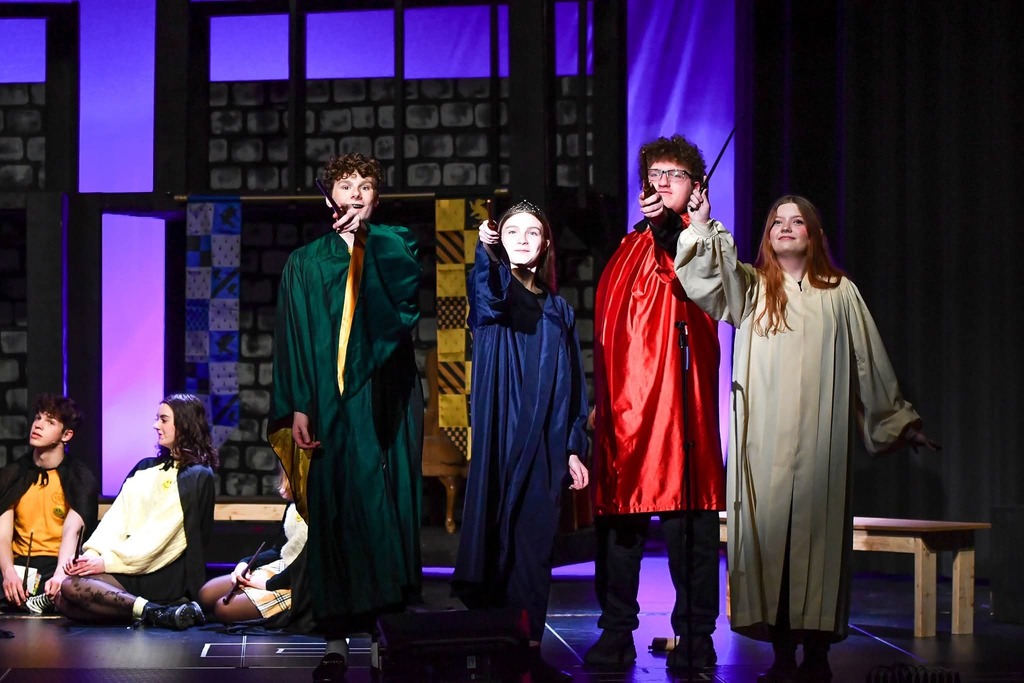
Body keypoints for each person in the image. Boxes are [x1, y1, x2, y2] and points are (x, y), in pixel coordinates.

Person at [664, 193, 939, 682]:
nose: (786, 228)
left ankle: (817, 655)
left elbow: (868, 362)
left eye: (797, 222)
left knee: (816, 544)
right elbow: (703, 280)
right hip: (762, 444)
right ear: (768, 235)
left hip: (820, 446)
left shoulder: (839, 293)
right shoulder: (749, 288)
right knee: (772, 546)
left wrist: (899, 421)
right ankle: (782, 655)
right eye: (777, 221)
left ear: (813, 234)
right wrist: (701, 225)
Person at [268, 152, 423, 682]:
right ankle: (335, 639)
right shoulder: (305, 263)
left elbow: (402, 304)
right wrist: (298, 408)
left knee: (384, 511)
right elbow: (293, 340)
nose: (355, 194)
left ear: (377, 196)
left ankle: (384, 634)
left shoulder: (394, 244)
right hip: (329, 405)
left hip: (384, 400)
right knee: (334, 512)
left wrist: (366, 241)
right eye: (345, 185)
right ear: (329, 195)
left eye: (365, 186)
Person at [585, 135, 726, 670]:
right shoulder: (625, 247)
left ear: (697, 186)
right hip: (625, 412)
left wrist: (676, 227)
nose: (663, 181)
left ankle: (696, 635)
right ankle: (616, 630)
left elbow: (696, 274)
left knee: (689, 530)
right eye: (655, 173)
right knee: (619, 530)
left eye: (676, 173)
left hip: (678, 411)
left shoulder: (705, 242)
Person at [452, 201, 590, 683]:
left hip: (547, 443)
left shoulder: (559, 312)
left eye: (534, 232)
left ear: (547, 243)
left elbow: (575, 383)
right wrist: (483, 252)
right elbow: (487, 296)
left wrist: (574, 446)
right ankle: (495, 646)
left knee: (534, 549)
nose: (524, 239)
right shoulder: (495, 298)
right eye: (513, 231)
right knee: (497, 541)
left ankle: (529, 653)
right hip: (501, 441)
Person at [56, 393, 217, 629]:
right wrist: (91, 556)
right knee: (63, 599)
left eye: (163, 419)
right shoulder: (144, 467)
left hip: (161, 570)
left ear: (184, 424)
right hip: (127, 565)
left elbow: (161, 538)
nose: (156, 425)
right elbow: (115, 521)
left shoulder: (197, 475)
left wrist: (106, 562)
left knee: (72, 587)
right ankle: (156, 614)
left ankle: (156, 607)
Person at [1, 394, 97, 614]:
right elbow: (3, 536)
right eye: (38, 418)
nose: (38, 425)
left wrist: (60, 574)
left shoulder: (79, 477)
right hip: (18, 563)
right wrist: (8, 573)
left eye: (50, 422)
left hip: (56, 563)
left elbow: (71, 533)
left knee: (76, 590)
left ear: (66, 434)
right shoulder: (13, 474)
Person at [198, 470, 308, 627]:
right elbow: (279, 549)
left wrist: (268, 584)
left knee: (224, 608)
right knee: (207, 593)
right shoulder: (295, 500)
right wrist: (245, 563)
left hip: (304, 580)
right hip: (285, 567)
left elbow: (308, 563)